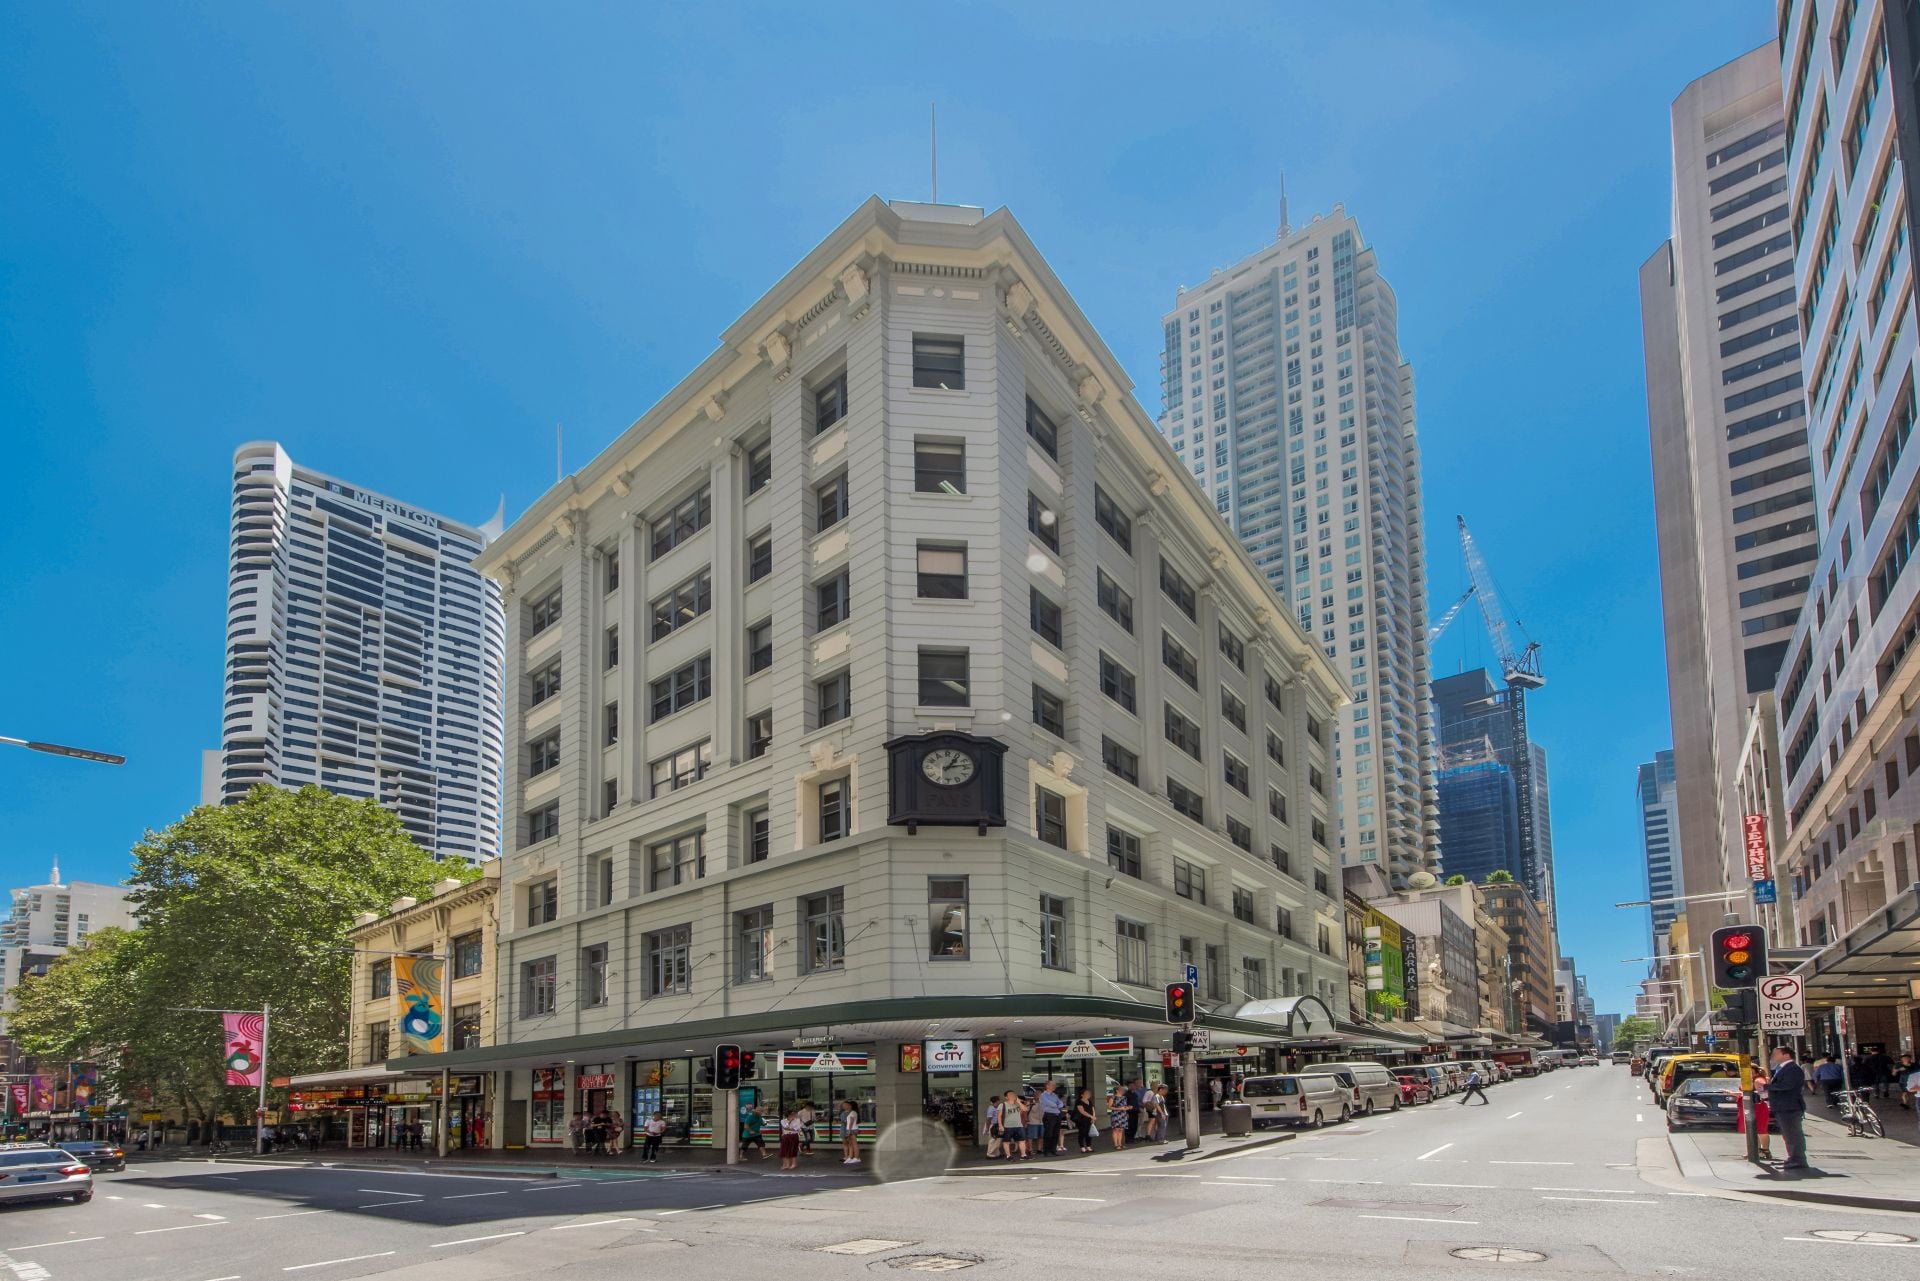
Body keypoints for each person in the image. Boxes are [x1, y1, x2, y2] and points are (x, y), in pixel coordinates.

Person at [1767, 1045, 1809, 1171]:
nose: (1773, 1056)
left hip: (1790, 1107)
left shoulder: (1793, 1069)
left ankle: (1798, 1160)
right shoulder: (1782, 1068)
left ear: (1786, 1055)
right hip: (1783, 1107)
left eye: (1776, 1053)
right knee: (1788, 1135)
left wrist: (1767, 1087)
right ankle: (1793, 1158)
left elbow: (1787, 1085)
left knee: (1793, 1135)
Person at [1748, 1067, 1773, 1161]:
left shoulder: (1758, 1080)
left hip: (1760, 1106)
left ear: (1755, 1072)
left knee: (1761, 1129)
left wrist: (1758, 1093)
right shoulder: (1752, 1080)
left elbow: (1765, 1093)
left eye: (1750, 1071)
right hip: (1755, 1106)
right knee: (1755, 1129)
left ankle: (1765, 1151)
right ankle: (1757, 1150)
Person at [1038, 1080, 1063, 1157]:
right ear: (1047, 1086)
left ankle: (1053, 1150)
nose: (1054, 1086)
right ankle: (1046, 1151)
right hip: (1049, 1115)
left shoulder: (1054, 1095)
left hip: (1057, 1115)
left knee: (1056, 1133)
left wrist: (1058, 1105)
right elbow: (1050, 1104)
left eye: (1055, 1085)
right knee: (1048, 1133)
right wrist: (1057, 1105)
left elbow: (1061, 1103)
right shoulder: (1043, 1095)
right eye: (1053, 1085)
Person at [1072, 1088, 1097, 1154]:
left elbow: (1093, 1109)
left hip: (1089, 1119)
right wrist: (1091, 1116)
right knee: (1082, 1133)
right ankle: (1082, 1147)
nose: (1088, 1094)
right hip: (1081, 1119)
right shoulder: (1079, 1101)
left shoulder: (1089, 1101)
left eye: (1089, 1093)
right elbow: (1082, 1111)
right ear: (1082, 1095)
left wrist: (1093, 1117)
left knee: (1089, 1133)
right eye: (1086, 1093)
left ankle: (1088, 1146)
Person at [1107, 1085, 1131, 1151]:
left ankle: (1120, 1144)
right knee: (1116, 1129)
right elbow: (1109, 1107)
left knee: (1121, 1129)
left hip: (1123, 1114)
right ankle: (1116, 1144)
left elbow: (1124, 1106)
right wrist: (1119, 1108)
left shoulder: (1124, 1097)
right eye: (1121, 1090)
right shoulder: (1113, 1097)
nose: (1123, 1091)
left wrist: (1127, 1108)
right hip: (1116, 1114)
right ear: (1117, 1090)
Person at [840, 1098, 861, 1165]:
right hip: (852, 1129)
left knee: (854, 1144)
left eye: (848, 1105)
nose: (846, 1106)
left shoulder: (853, 1112)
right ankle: (851, 1157)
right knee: (851, 1144)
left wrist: (849, 1130)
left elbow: (851, 1122)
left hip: (852, 1129)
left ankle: (856, 1157)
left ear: (851, 1106)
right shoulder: (853, 1112)